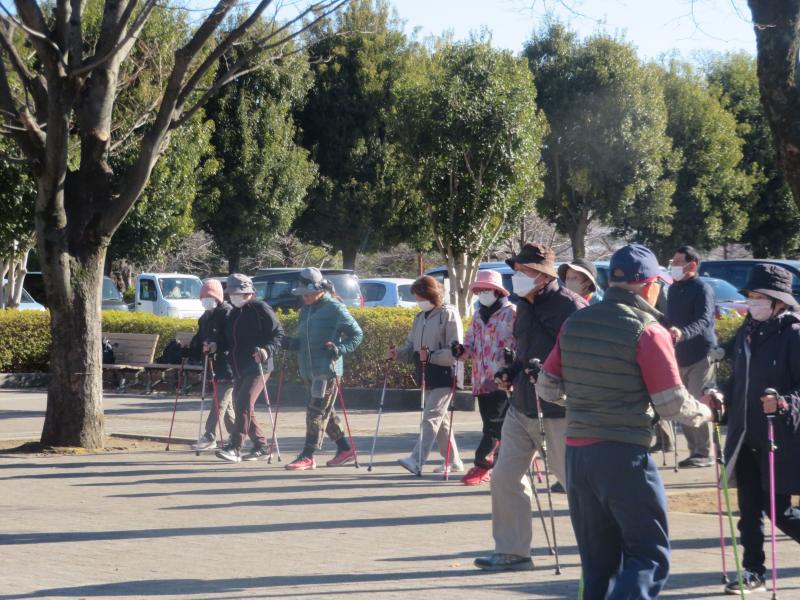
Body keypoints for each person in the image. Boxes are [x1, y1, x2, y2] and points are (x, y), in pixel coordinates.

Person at [535, 243, 714, 598]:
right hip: (623, 454)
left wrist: (587, 399)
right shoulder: (648, 330)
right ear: (648, 284)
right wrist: (705, 411)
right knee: (648, 556)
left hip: (578, 455)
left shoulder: (576, 321)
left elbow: (547, 387)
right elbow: (670, 403)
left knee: (598, 564)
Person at [474, 243, 585, 572]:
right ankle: (512, 551)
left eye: (522, 271)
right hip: (522, 405)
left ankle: (604, 549)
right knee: (505, 477)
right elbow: (523, 353)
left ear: (541, 274)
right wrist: (512, 370)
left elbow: (580, 358)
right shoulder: (522, 304)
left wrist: (550, 372)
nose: (516, 276)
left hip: (559, 409)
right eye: (516, 270)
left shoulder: (571, 307)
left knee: (575, 484)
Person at [720, 263, 800, 595]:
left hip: (777, 437)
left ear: (779, 302)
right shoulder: (747, 330)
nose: (754, 303)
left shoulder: (794, 335)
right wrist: (719, 396)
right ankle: (752, 570)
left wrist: (783, 403)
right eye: (751, 296)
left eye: (760, 297)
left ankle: (754, 568)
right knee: (748, 510)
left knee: (777, 509)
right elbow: (738, 379)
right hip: (744, 434)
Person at [282, 268, 364, 471]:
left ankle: (308, 455)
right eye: (302, 294)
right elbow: (304, 339)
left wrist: (340, 349)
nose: (305, 297)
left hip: (327, 370)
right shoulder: (306, 310)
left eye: (308, 293)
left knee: (315, 413)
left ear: (319, 289)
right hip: (308, 370)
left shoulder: (335, 308)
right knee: (326, 412)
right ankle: (345, 449)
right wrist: (293, 344)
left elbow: (357, 334)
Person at [388, 275, 464, 476]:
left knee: (431, 418)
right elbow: (411, 347)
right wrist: (399, 354)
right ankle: (453, 460)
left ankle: (416, 459)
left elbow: (456, 350)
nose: (418, 301)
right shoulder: (419, 317)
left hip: (446, 374)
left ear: (432, 294)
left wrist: (432, 356)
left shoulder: (448, 314)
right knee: (440, 421)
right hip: (426, 374)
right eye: (416, 297)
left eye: (420, 296)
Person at [452, 270, 516, 486]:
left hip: (503, 380)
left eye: (485, 290)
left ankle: (483, 464)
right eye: (479, 290)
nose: (482, 294)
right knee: (491, 423)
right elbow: (470, 344)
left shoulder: (512, 313)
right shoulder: (478, 315)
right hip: (481, 380)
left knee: (494, 424)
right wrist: (461, 351)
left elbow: (522, 342)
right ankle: (502, 462)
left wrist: (513, 356)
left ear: (497, 291)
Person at [214, 273, 284, 463]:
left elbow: (278, 334)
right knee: (241, 403)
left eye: (237, 293)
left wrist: (266, 350)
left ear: (248, 293)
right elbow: (229, 341)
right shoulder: (234, 312)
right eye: (230, 293)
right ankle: (261, 445)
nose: (233, 296)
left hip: (259, 365)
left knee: (243, 402)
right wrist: (215, 346)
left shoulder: (261, 308)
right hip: (240, 367)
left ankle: (235, 447)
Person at [665, 245, 716, 468]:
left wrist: (683, 333)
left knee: (697, 400)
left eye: (677, 262)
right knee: (681, 403)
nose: (673, 266)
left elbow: (704, 320)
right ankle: (693, 450)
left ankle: (704, 452)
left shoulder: (702, 288)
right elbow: (669, 318)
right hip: (678, 356)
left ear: (692, 265)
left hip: (701, 355)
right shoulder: (674, 289)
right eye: (673, 262)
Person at [189, 279, 235, 451]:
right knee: (225, 405)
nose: (206, 299)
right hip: (212, 364)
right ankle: (239, 435)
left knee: (219, 401)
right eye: (203, 297)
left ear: (218, 297)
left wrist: (216, 345)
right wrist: (189, 348)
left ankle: (210, 435)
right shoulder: (205, 318)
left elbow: (231, 339)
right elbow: (200, 338)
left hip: (227, 365)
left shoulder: (227, 313)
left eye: (210, 296)